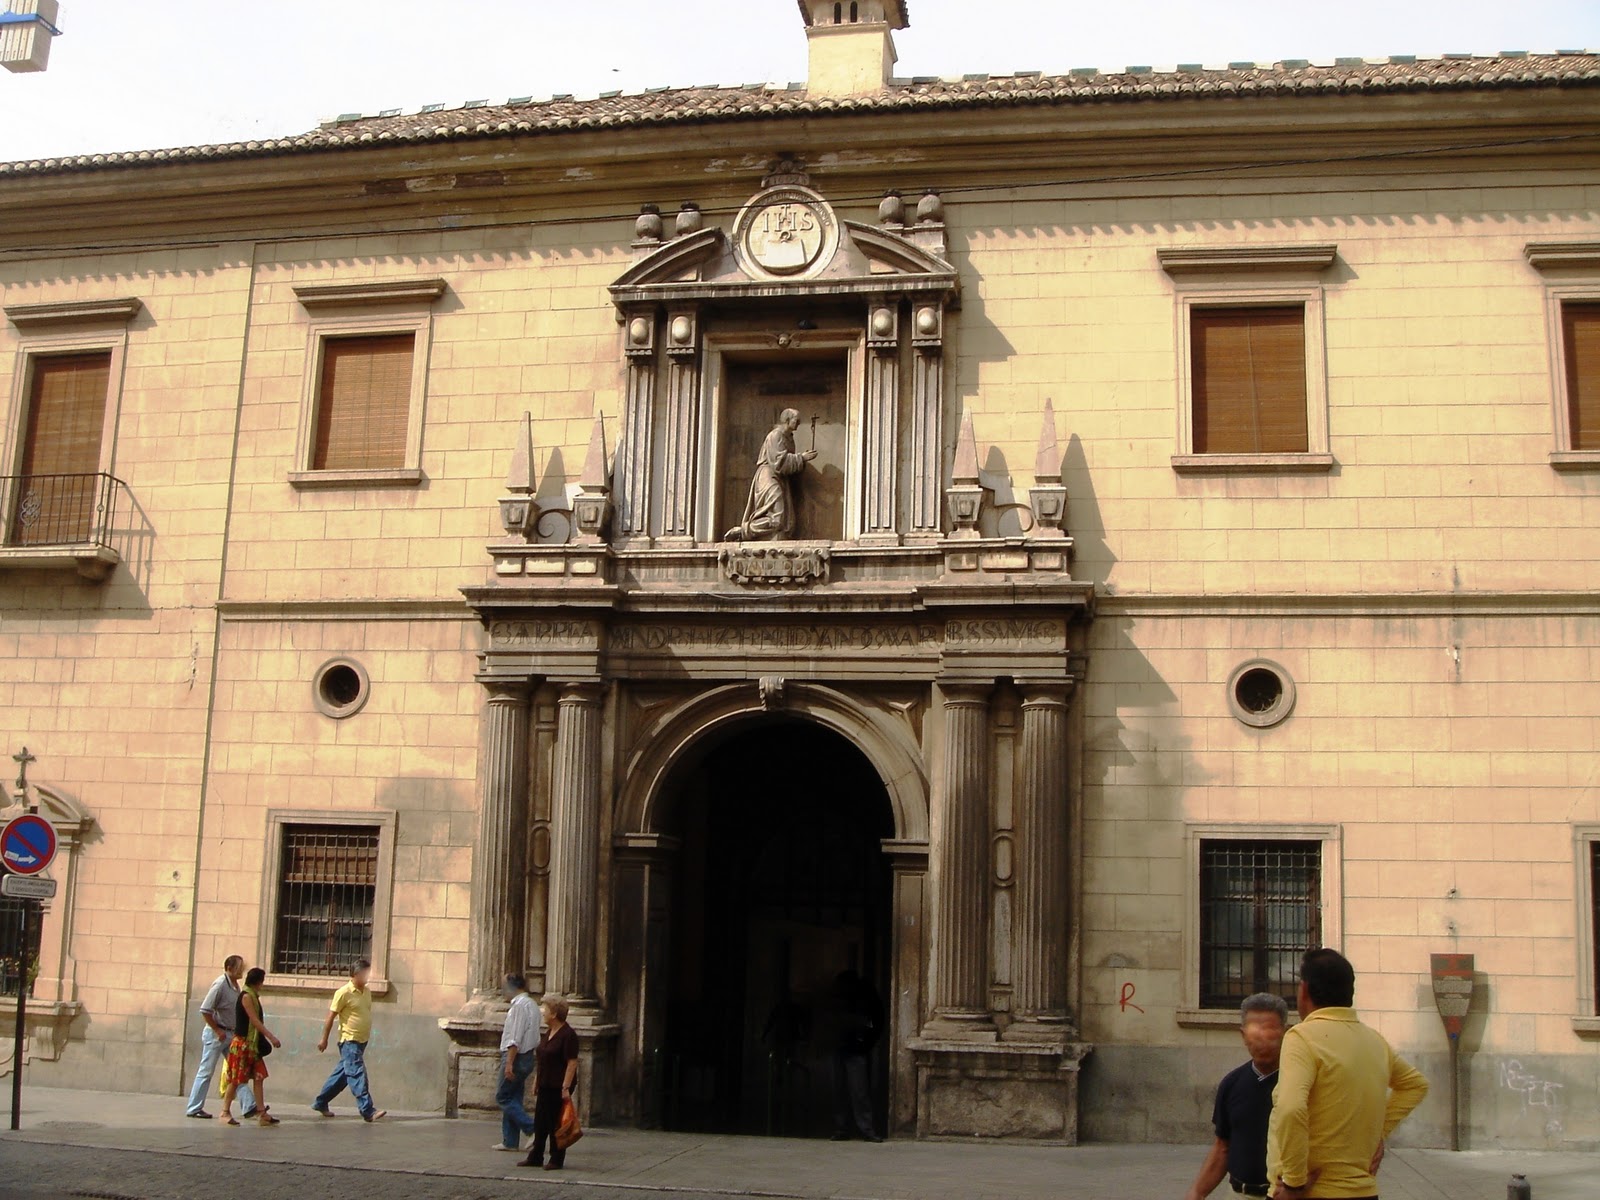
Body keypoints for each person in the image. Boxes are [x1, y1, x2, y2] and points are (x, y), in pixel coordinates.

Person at [1266, 949, 1429, 1200]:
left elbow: (1291, 1108)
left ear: (1304, 989)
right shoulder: (1375, 1042)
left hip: (1311, 1192)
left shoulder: (1302, 1037)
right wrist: (1378, 1134)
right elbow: (1415, 1085)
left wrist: (1295, 1184)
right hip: (1362, 1192)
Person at [1183, 993, 1289, 1199]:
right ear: (1243, 1035)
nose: (1262, 1042)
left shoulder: (1298, 1082)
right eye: (1255, 1034)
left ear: (1285, 1032)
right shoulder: (1232, 1084)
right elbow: (1223, 1147)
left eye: (1270, 1032)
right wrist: (1197, 1192)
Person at [312, 957, 386, 1122]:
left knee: (344, 1074)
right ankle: (367, 1110)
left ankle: (321, 1102)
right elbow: (330, 1017)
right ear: (356, 974)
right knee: (357, 1073)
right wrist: (324, 1039)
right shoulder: (343, 992)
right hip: (349, 1040)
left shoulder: (366, 992)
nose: (368, 977)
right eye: (366, 973)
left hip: (362, 1040)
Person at [725, 407, 816, 541]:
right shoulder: (775, 435)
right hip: (768, 477)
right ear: (787, 420)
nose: (799, 423)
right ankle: (743, 531)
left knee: (785, 522)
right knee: (778, 517)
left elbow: (786, 465)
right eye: (796, 420)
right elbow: (778, 463)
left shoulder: (789, 439)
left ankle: (757, 534)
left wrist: (800, 460)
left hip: (780, 479)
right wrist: (801, 458)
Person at [185, 954, 256, 1119]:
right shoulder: (219, 985)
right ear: (229, 968)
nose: (242, 970)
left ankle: (249, 1105)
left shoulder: (235, 986)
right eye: (239, 967)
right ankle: (194, 1107)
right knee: (206, 1071)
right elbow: (205, 1010)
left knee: (237, 1069)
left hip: (230, 1034)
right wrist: (217, 1030)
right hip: (217, 1035)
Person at [520, 996, 579, 1171]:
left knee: (555, 1123)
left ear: (554, 1014)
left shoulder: (568, 1035)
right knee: (540, 1121)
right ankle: (536, 1155)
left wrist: (566, 1087)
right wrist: (537, 1080)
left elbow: (572, 1062)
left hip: (558, 1085)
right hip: (545, 1082)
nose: (542, 1013)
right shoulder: (549, 1032)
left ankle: (556, 1158)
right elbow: (543, 1058)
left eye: (545, 1010)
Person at [219, 966, 281, 1127]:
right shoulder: (247, 997)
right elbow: (254, 1020)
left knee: (259, 1076)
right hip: (243, 1044)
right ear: (258, 982)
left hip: (252, 1046)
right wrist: (271, 1037)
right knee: (236, 1079)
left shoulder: (253, 996)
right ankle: (225, 1111)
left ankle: (261, 1112)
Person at [829, 969, 884, 1143]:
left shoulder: (862, 999)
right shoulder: (838, 999)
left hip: (854, 1048)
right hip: (842, 1046)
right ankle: (845, 1127)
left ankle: (861, 1128)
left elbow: (877, 1019)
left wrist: (866, 1041)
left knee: (858, 1090)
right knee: (840, 1089)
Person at [494, 973, 539, 1152]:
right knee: (514, 1097)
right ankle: (510, 1140)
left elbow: (515, 1038)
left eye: (504, 987)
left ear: (513, 987)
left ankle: (532, 1128)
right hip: (527, 1056)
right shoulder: (533, 1005)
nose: (503, 991)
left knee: (503, 1096)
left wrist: (509, 1063)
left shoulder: (519, 1006)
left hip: (517, 1056)